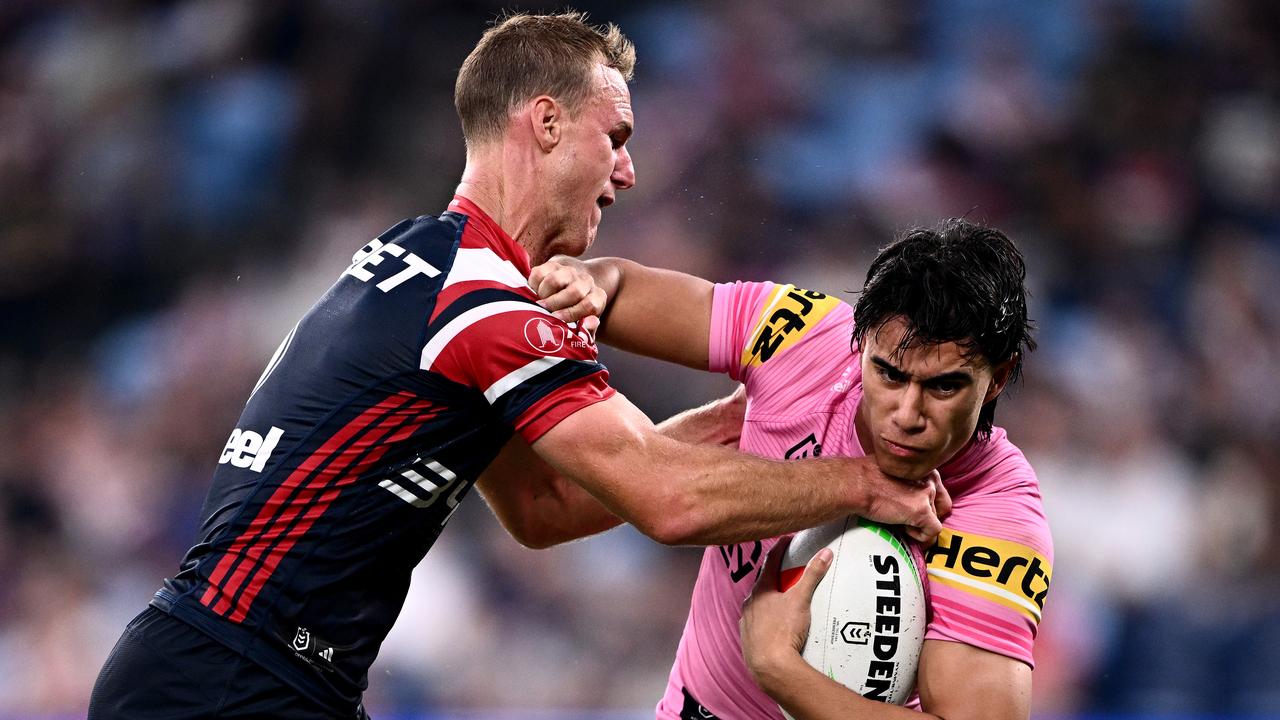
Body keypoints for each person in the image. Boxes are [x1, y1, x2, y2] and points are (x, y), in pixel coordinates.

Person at [87, 12, 946, 720]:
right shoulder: (492, 306)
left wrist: (731, 426)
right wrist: (865, 485)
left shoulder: (411, 256)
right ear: (544, 122)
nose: (629, 172)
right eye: (615, 137)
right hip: (234, 684)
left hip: (237, 672)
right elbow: (667, 500)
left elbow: (544, 507)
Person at [553, 218, 1050, 719]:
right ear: (860, 344)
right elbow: (618, 286)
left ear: (997, 378)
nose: (907, 414)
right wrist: (585, 279)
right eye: (888, 374)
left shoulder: (999, 518)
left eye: (943, 386)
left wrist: (778, 669)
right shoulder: (801, 339)